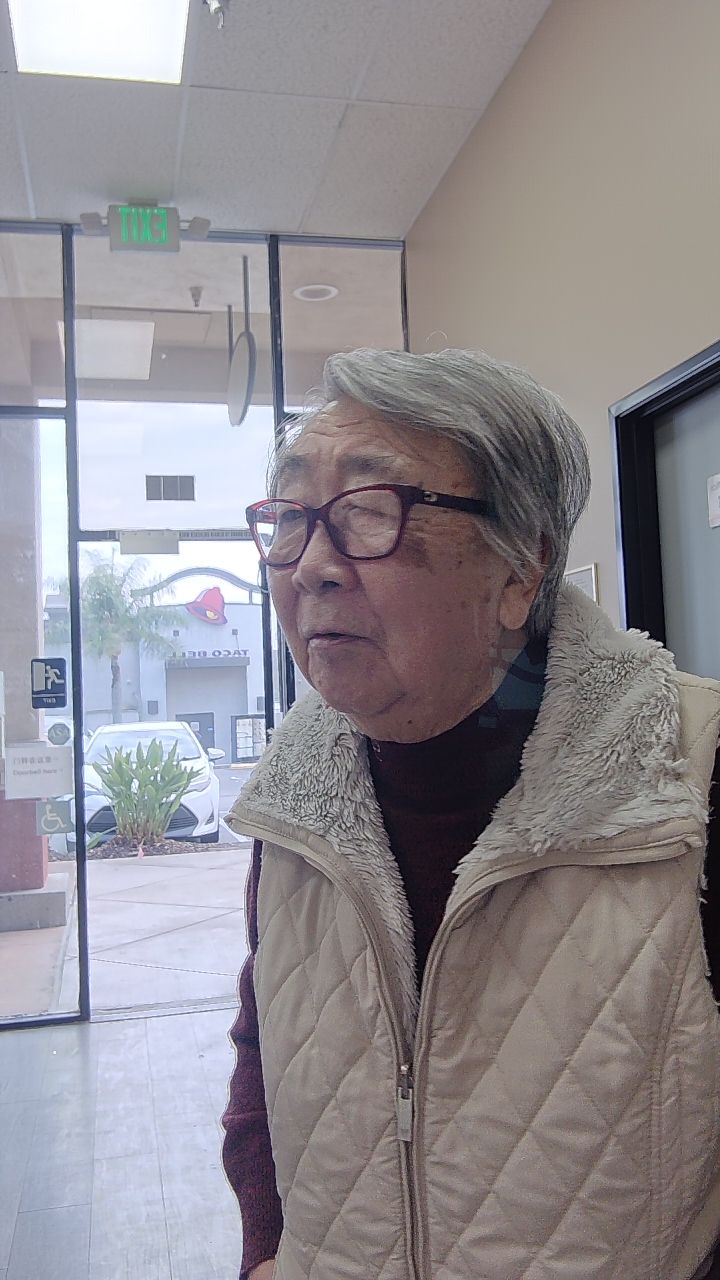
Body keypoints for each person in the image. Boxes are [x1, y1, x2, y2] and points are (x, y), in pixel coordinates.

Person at [222, 348, 720, 1280]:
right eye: (289, 517)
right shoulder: (295, 802)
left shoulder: (688, 779)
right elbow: (265, 1052)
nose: (312, 566)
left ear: (523, 568)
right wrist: (265, 1250)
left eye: (369, 512)